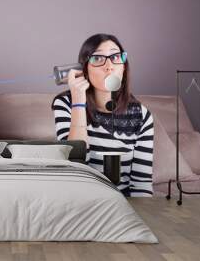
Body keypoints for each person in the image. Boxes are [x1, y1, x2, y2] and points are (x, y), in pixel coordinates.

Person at [51, 33, 154, 197]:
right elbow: (75, 163)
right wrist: (78, 101)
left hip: (122, 206)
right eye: (98, 58)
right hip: (79, 201)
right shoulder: (65, 103)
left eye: (115, 56)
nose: (109, 66)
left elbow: (141, 185)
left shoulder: (141, 115)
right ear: (84, 68)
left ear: (124, 67)